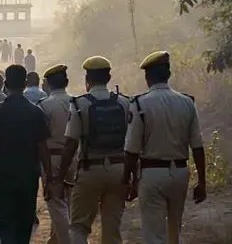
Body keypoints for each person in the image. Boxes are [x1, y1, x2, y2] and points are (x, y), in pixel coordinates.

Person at [122, 51, 207, 244]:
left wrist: (128, 179)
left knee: (154, 234)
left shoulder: (140, 104)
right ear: (168, 74)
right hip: (180, 173)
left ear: (147, 77)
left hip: (152, 174)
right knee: (174, 231)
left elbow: (132, 149)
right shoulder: (187, 102)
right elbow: (198, 146)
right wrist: (202, 181)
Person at [59, 56, 129, 244]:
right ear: (109, 77)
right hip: (119, 170)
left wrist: (59, 177)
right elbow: (132, 145)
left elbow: (71, 145)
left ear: (87, 79)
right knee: (112, 228)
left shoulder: (80, 104)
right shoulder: (124, 103)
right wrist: (133, 175)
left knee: (79, 227)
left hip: (90, 170)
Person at [0, 64, 52, 243]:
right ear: (25, 83)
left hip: (2, 175)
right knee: (24, 223)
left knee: (6, 224)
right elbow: (43, 148)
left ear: (6, 84)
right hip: (28, 175)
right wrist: (48, 179)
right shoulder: (36, 112)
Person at [37, 64, 75, 244]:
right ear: (66, 82)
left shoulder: (44, 105)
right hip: (75, 157)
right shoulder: (78, 102)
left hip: (52, 157)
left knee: (56, 202)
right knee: (70, 201)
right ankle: (56, 239)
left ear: (47, 84)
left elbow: (41, 139)